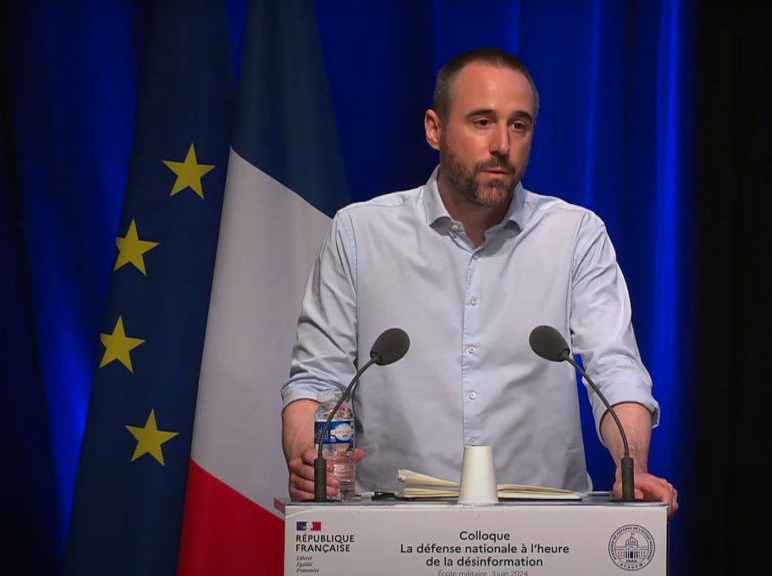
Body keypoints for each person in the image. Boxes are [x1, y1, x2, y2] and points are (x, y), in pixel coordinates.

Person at [281, 47, 678, 517]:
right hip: (392, 527)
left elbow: (614, 370)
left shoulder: (575, 235)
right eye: (482, 121)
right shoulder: (360, 233)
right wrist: (308, 459)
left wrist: (632, 465)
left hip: (543, 532)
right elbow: (317, 380)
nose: (502, 145)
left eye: (519, 125)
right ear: (434, 129)